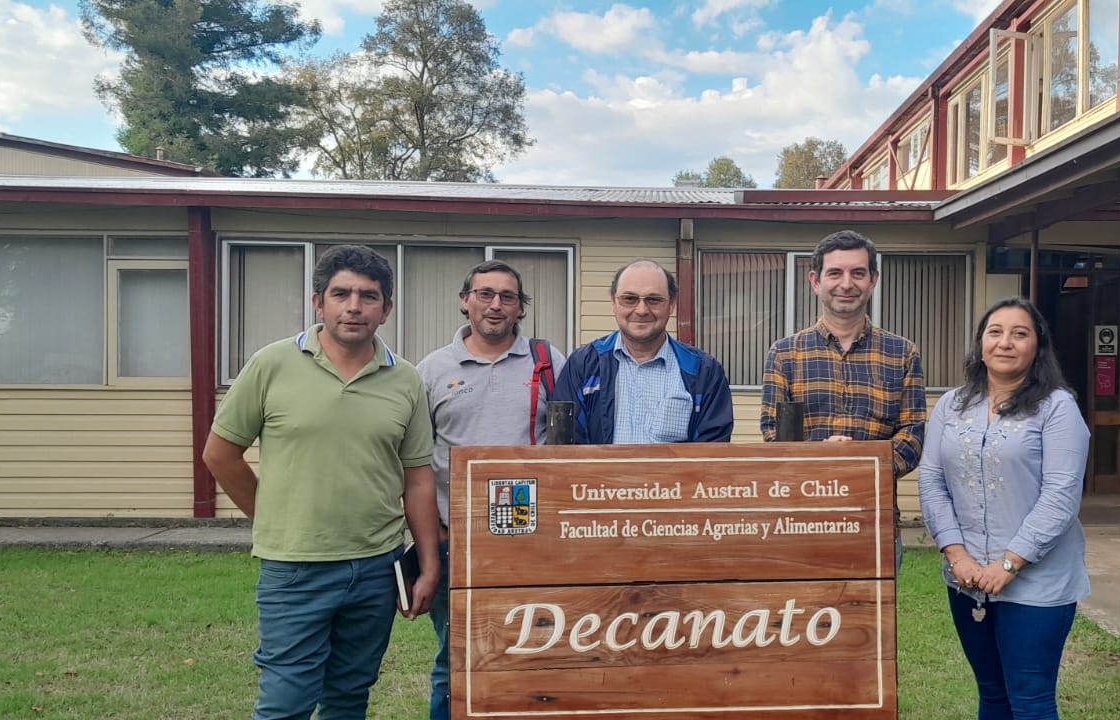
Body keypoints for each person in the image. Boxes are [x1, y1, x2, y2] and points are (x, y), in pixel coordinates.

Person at [202, 244, 439, 720]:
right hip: (296, 568)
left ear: (386, 309)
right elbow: (220, 453)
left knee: (349, 696)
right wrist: (270, 515)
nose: (354, 306)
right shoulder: (272, 364)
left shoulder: (405, 379)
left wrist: (428, 564)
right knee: (286, 701)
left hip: (377, 566)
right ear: (318, 303)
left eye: (368, 296)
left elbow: (417, 479)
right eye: (341, 294)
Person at [918, 297, 1091, 720]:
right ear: (981, 345)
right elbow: (931, 479)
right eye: (995, 332)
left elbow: (1061, 495)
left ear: (1038, 345)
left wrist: (1009, 564)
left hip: (1036, 582)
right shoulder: (952, 405)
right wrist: (955, 555)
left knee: (1030, 699)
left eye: (1020, 333)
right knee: (992, 693)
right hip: (967, 578)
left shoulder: (1057, 407)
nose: (1005, 343)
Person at [414, 260, 565, 720]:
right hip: (455, 541)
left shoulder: (549, 361)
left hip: (530, 541)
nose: (495, 304)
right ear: (466, 301)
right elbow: (414, 463)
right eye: (485, 294)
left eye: (508, 296)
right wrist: (432, 537)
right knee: (456, 657)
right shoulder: (431, 371)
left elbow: (569, 446)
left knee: (533, 651)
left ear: (520, 308)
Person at [760, 230, 926, 567]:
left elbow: (913, 437)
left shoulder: (903, 354)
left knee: (871, 620)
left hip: (874, 519)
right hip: (801, 521)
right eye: (835, 273)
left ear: (873, 280)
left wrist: (860, 463)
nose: (846, 283)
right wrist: (825, 460)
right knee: (801, 617)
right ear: (815, 281)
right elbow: (773, 436)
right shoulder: (784, 354)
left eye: (858, 273)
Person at [552, 259, 734, 444]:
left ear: (671, 304)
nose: (641, 310)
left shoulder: (704, 372)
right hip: (597, 475)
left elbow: (710, 455)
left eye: (653, 300)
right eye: (629, 299)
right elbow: (565, 449)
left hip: (676, 475)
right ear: (614, 303)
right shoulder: (583, 365)